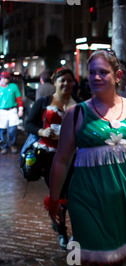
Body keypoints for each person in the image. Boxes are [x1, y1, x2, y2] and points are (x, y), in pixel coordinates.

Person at [46, 49, 126, 266]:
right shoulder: (76, 113)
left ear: (118, 75)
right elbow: (61, 160)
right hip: (89, 201)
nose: (95, 78)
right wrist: (54, 199)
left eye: (103, 72)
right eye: (92, 72)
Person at [25, 67, 78, 249]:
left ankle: (70, 230)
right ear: (55, 81)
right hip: (49, 157)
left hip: (73, 157)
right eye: (62, 80)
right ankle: (62, 231)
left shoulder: (78, 105)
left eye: (70, 80)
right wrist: (42, 131)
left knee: (74, 196)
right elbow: (29, 124)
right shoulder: (43, 102)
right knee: (58, 195)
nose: (66, 84)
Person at [0, 71, 24, 154]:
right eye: (3, 78)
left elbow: (18, 98)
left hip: (12, 110)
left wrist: (20, 109)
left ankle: (12, 144)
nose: (4, 80)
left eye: (6, 78)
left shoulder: (13, 87)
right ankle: (4, 146)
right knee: (2, 130)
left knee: (13, 129)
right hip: (2, 111)